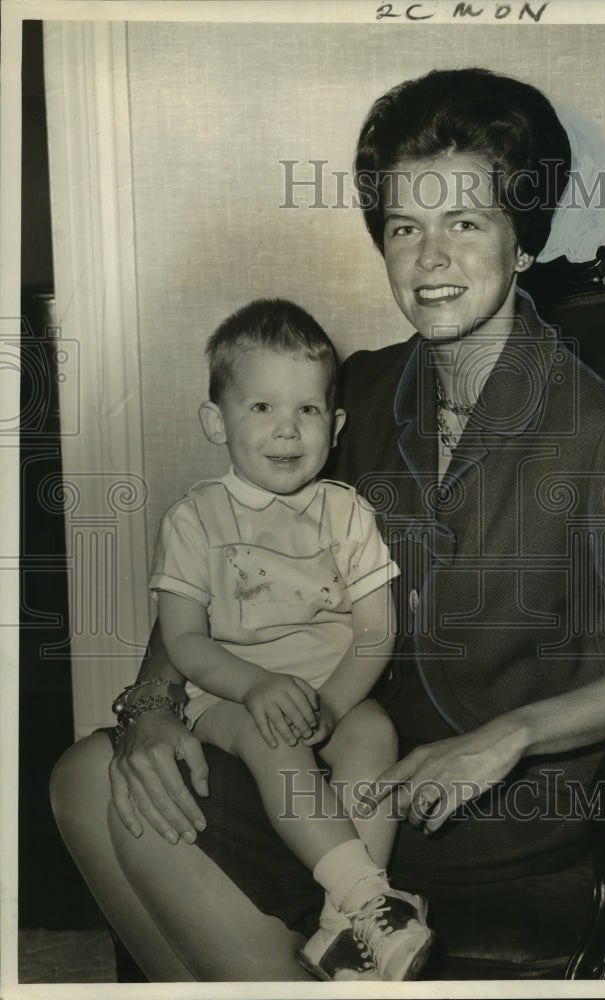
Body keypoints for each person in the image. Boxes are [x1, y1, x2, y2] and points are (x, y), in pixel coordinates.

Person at [50, 68, 605, 983]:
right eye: (405, 226)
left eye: (465, 222)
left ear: (520, 240)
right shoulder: (361, 392)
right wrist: (152, 707)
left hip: (484, 808)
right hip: (337, 766)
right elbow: (223, 548)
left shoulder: (598, 435)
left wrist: (509, 738)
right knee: (90, 778)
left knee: (128, 807)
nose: (430, 258)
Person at [146, 297, 432, 981]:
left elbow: (375, 629)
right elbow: (183, 640)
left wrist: (331, 706)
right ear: (215, 421)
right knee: (269, 736)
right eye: (261, 408)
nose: (286, 430)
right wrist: (255, 686)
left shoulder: (346, 512)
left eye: (306, 410)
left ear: (333, 426)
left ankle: (339, 930)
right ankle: (369, 898)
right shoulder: (195, 519)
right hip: (230, 698)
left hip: (326, 692)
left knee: (375, 736)